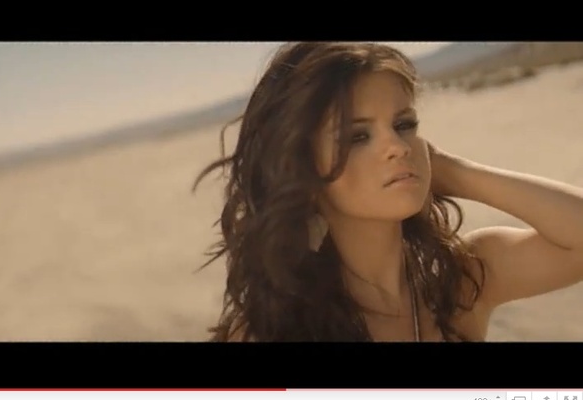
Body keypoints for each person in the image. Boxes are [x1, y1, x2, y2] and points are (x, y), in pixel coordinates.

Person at [191, 42, 583, 342]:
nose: (396, 146)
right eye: (357, 137)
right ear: (303, 170)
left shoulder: (460, 279)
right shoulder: (273, 330)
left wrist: (454, 173)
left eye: (404, 125)